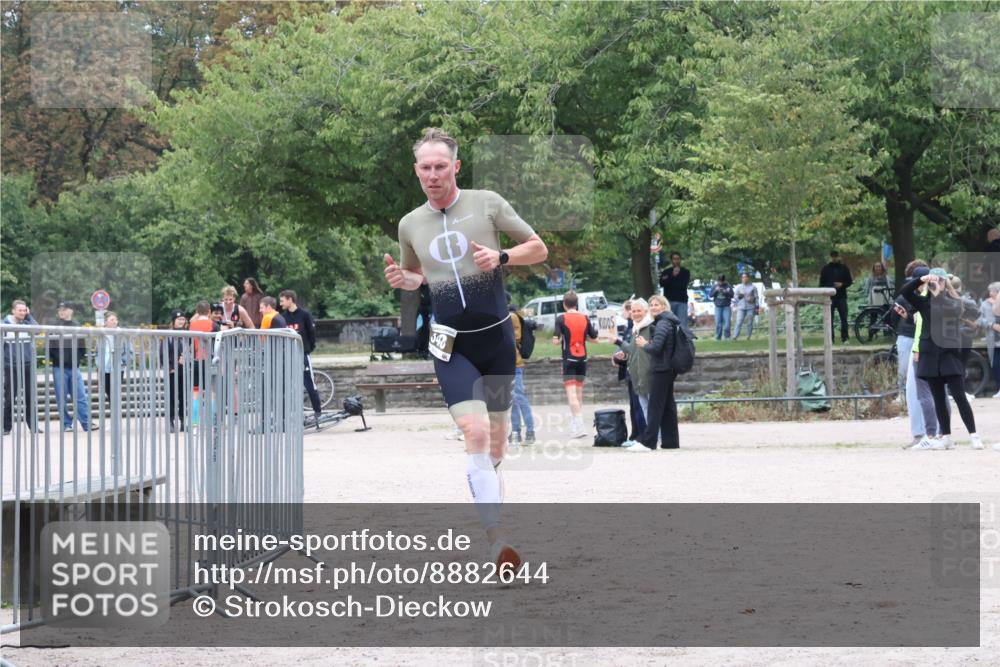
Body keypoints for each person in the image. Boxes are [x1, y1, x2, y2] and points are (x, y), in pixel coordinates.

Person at [383, 127, 547, 570]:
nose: (433, 175)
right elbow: (417, 276)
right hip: (449, 343)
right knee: (474, 434)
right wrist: (406, 281)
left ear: (455, 167)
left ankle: (492, 506)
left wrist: (504, 258)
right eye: (425, 168)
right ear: (416, 171)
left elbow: (538, 247)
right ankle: (497, 542)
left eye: (441, 166)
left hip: (495, 341)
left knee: (496, 445)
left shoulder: (487, 203)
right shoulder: (410, 223)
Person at [899, 268, 982, 450]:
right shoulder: (923, 303)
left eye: (940, 281)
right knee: (937, 398)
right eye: (934, 282)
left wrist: (939, 294)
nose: (935, 284)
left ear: (946, 283)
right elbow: (904, 291)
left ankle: (974, 435)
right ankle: (946, 436)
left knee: (959, 396)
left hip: (949, 355)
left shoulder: (955, 302)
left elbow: (951, 312)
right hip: (930, 355)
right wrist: (921, 279)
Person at [622, 295, 682, 452]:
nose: (654, 308)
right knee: (668, 407)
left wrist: (645, 344)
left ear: (664, 306)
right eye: (652, 305)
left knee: (655, 408)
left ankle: (648, 443)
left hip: (661, 369)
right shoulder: (666, 321)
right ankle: (671, 442)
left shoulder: (662, 323)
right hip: (667, 368)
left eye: (657, 305)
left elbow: (656, 348)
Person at [891, 260, 941, 449]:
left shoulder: (928, 298)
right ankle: (934, 433)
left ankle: (928, 433)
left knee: (919, 391)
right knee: (926, 391)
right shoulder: (922, 298)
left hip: (922, 346)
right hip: (923, 344)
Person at [552, 290, 599, 439]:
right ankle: (575, 423)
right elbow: (593, 338)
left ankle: (579, 426)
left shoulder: (561, 318)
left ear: (564, 304)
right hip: (582, 358)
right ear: (576, 304)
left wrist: (559, 340)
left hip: (569, 359)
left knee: (571, 394)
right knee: (579, 393)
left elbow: (556, 340)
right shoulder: (585, 318)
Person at [47, 302, 97, 432]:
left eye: (64, 309)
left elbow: (82, 347)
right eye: (60, 309)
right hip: (59, 367)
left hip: (74, 367)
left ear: (71, 311)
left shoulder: (77, 325)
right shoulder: (54, 326)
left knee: (80, 396)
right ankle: (66, 424)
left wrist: (76, 360)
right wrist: (58, 359)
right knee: (61, 397)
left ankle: (86, 423)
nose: (61, 311)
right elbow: (50, 346)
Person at [279, 290, 323, 422]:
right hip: (288, 355)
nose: (280, 303)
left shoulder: (304, 314)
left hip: (302, 353)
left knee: (309, 384)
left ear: (290, 299)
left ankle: (318, 412)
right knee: (289, 386)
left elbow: (311, 332)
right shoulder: (283, 317)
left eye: (282, 300)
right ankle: (291, 413)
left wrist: (309, 348)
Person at [616, 298, 654, 442]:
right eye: (633, 311)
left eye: (639, 311)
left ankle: (654, 438)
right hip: (636, 375)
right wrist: (617, 343)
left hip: (649, 374)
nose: (636, 313)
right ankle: (648, 438)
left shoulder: (650, 326)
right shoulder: (635, 328)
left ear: (645, 311)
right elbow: (632, 350)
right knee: (642, 408)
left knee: (651, 409)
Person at [3, 300, 39, 435]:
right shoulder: (4, 324)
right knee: (10, 397)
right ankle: (6, 427)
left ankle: (33, 427)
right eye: (20, 310)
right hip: (11, 365)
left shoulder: (28, 322)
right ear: (13, 311)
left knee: (31, 397)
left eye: (25, 310)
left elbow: (38, 330)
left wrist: (29, 317)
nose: (23, 313)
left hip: (28, 364)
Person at [508, 294, 535, 445]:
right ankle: (516, 433)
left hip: (514, 363)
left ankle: (530, 432)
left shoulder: (511, 316)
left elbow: (512, 338)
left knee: (519, 397)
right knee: (512, 400)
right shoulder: (509, 315)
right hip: (508, 364)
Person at [96, 311, 132, 409]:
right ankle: (114, 417)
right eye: (112, 320)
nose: (115, 322)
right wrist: (98, 364)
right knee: (108, 391)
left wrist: (123, 362)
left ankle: (116, 418)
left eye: (116, 320)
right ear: (106, 322)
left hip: (117, 368)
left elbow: (129, 350)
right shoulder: (101, 334)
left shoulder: (122, 334)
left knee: (115, 392)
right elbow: (97, 351)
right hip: (105, 368)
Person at [161, 309, 188, 432]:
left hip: (184, 371)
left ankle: (183, 420)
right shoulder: (169, 335)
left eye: (183, 319)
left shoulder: (188, 334)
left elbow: (192, 349)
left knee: (183, 397)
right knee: (171, 397)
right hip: (172, 372)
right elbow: (163, 353)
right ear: (173, 321)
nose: (181, 321)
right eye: (179, 319)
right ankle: (171, 421)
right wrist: (170, 368)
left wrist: (188, 358)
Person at [820, 251, 853, 343]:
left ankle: (845, 337)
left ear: (839, 257)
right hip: (829, 297)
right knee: (829, 319)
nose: (834, 258)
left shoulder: (844, 268)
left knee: (844, 318)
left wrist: (842, 284)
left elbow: (849, 281)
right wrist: (829, 287)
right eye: (833, 257)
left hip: (841, 296)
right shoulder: (825, 269)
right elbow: (821, 283)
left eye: (836, 257)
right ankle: (831, 338)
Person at [659, 252, 691, 333]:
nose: (676, 261)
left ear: (680, 260)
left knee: (682, 324)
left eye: (678, 259)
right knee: (669, 323)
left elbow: (683, 285)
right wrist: (673, 275)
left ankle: (683, 342)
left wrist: (670, 280)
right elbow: (662, 283)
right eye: (674, 259)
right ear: (671, 260)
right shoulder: (666, 272)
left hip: (681, 301)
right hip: (669, 301)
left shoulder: (685, 272)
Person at [981, 282, 1000, 398]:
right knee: (996, 364)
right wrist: (991, 325)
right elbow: (979, 319)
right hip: (994, 341)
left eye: (992, 291)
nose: (990, 293)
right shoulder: (984, 305)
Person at [732, 273, 760, 340]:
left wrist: (757, 307)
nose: (744, 279)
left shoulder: (753, 287)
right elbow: (735, 296)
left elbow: (756, 297)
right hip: (741, 307)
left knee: (750, 321)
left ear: (748, 278)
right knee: (739, 321)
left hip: (750, 307)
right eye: (742, 277)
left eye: (745, 277)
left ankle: (748, 336)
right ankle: (735, 336)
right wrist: (739, 297)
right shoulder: (739, 287)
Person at [709, 275, 734, 341]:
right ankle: (718, 337)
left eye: (722, 281)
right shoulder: (715, 286)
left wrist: (726, 292)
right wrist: (716, 291)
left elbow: (732, 295)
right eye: (719, 281)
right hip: (718, 307)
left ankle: (727, 337)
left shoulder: (728, 286)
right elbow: (710, 295)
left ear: (724, 280)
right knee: (718, 323)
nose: (720, 283)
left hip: (726, 307)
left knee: (727, 323)